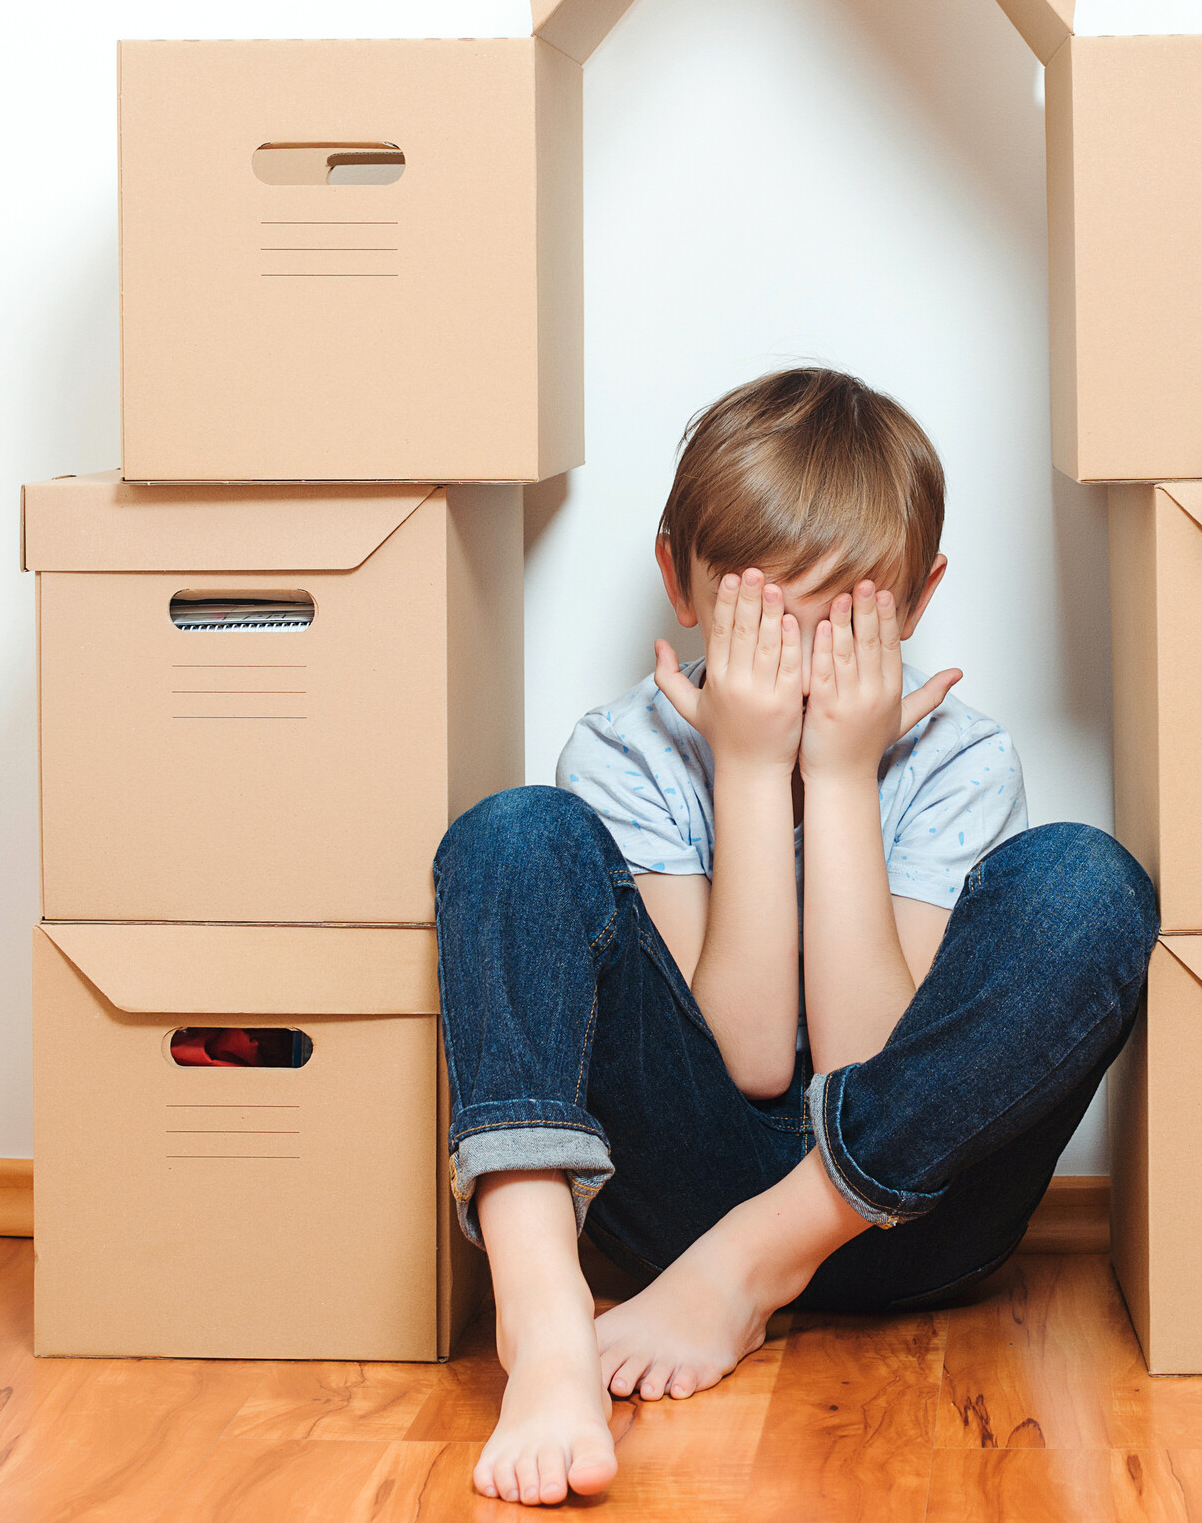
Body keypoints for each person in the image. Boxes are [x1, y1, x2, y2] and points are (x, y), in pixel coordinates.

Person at [436, 368, 1158, 1506]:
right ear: (679, 577)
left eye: (847, 629)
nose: (802, 668)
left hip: (906, 1220)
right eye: (765, 622)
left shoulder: (960, 762)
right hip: (673, 1207)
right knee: (513, 833)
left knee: (1087, 882)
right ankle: (544, 1319)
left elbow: (868, 1059)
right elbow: (752, 1058)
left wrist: (841, 771)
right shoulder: (631, 752)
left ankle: (755, 1263)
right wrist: (751, 762)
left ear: (915, 604)